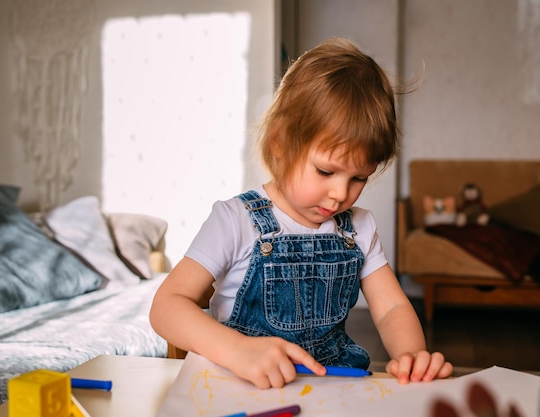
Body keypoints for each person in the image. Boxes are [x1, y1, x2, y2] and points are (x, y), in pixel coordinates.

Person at [150, 37, 453, 389]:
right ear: (279, 142)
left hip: (330, 388)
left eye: (359, 178)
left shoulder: (358, 228)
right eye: (326, 172)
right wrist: (237, 350)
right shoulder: (236, 220)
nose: (341, 194)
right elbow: (167, 307)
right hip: (239, 389)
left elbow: (391, 309)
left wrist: (411, 356)